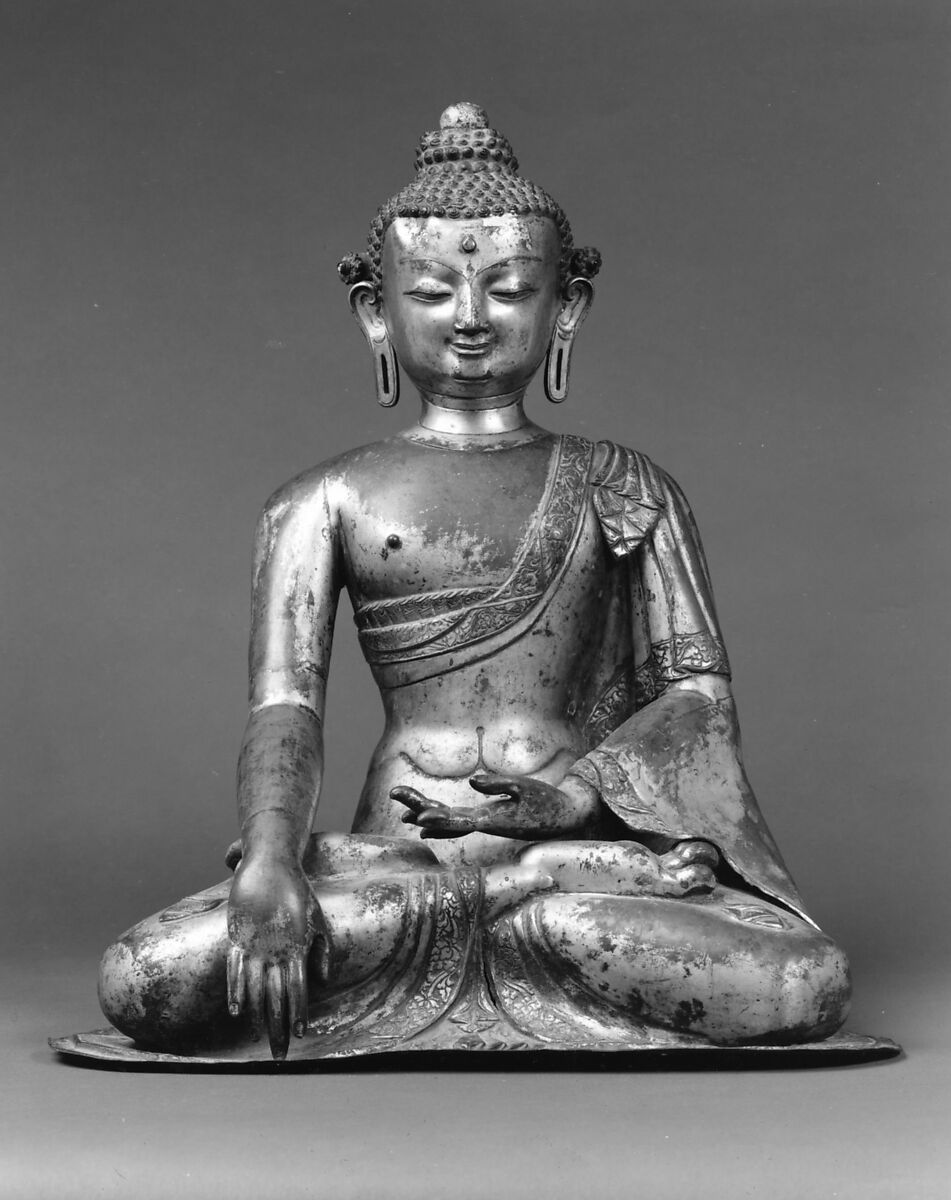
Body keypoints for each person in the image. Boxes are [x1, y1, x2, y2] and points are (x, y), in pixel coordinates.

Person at [96, 103, 850, 1062]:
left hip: (579, 864)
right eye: (433, 289)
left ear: (565, 304)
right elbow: (284, 708)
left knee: (803, 981)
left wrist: (574, 797)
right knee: (144, 977)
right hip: (392, 867)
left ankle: (518, 898)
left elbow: (697, 700)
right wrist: (275, 862)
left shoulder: (626, 485)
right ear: (376, 309)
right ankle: (500, 906)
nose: (468, 318)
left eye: (508, 287)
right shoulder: (322, 500)